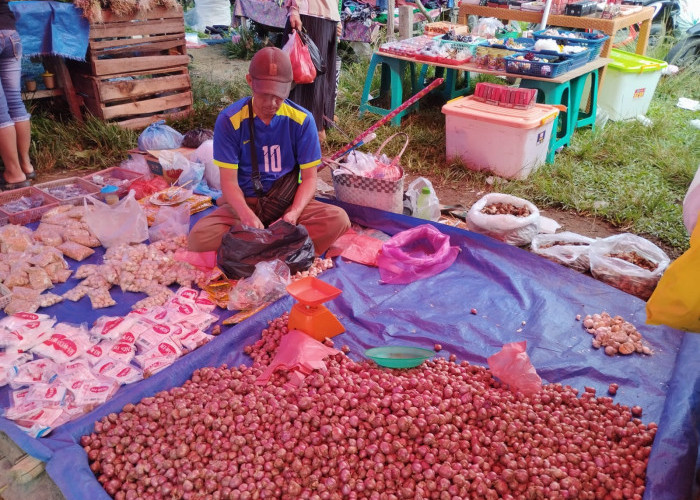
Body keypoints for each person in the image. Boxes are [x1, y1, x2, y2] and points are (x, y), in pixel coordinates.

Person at [188, 46, 350, 256]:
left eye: (278, 96)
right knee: (198, 238)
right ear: (249, 81)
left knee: (338, 220)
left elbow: (309, 179)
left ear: (289, 88)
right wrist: (246, 216)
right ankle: (284, 251)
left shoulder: (302, 120)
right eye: (264, 94)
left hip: (286, 202)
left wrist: (293, 213)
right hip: (246, 204)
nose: (271, 103)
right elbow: (228, 182)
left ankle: (254, 251)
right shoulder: (230, 120)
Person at [284, 0, 340, 141]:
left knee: (321, 71)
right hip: (309, 13)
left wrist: (336, 17)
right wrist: (294, 9)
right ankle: (312, 125)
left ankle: (321, 117)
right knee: (308, 70)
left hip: (328, 16)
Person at [0, 1, 34, 191]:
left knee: (0, 109)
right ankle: (26, 165)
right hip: (10, 33)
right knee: (14, 101)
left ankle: (14, 173)